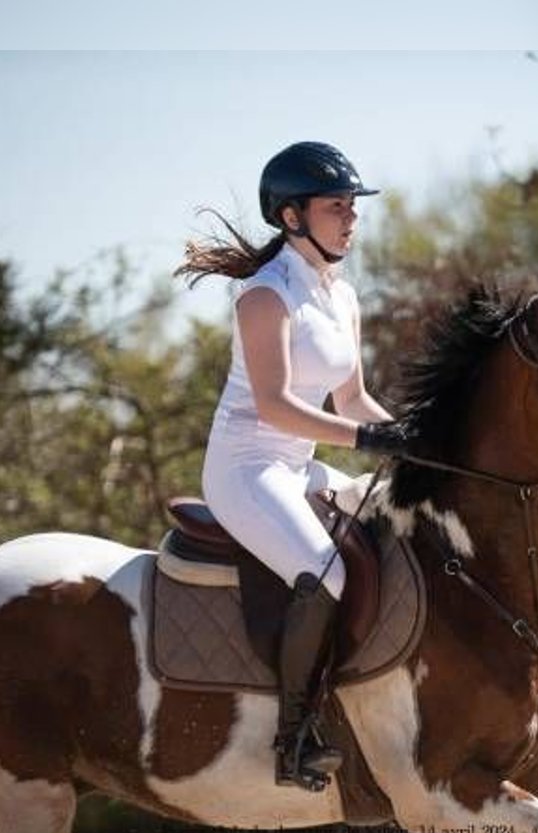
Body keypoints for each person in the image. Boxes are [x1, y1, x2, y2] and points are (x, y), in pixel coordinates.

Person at [176, 142, 413, 792]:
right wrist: (368, 437)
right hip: (245, 470)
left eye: (353, 207)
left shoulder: (343, 296)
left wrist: (410, 435)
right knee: (329, 574)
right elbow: (278, 407)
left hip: (296, 468)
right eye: (337, 206)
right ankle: (295, 739)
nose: (351, 218)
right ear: (291, 217)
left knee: (394, 529)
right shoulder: (265, 296)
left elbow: (354, 399)